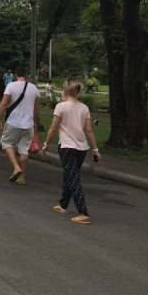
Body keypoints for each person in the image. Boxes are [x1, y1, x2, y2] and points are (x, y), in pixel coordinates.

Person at [42, 79, 100, 224]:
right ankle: (63, 205)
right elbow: (89, 130)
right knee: (70, 175)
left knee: (73, 178)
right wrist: (95, 149)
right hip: (82, 148)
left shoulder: (61, 107)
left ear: (65, 91)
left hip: (67, 147)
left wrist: (46, 144)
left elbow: (53, 128)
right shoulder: (84, 108)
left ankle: (83, 212)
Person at [0, 66, 41, 185]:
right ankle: (21, 178)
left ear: (15, 75)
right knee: (24, 150)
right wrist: (35, 122)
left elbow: (3, 104)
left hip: (13, 122)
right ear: (26, 75)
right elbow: (36, 108)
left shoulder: (11, 86)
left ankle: (16, 167)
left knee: (6, 143)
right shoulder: (34, 88)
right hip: (28, 124)